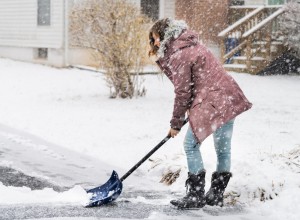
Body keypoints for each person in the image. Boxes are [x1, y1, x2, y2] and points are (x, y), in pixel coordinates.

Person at [148, 18, 252, 209]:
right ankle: (216, 195)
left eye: (155, 38)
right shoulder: (192, 44)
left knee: (190, 145)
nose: (154, 43)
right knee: (223, 149)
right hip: (228, 97)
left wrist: (175, 124)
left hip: (212, 100)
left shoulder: (180, 54)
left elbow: (183, 92)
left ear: (165, 35)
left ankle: (195, 196)